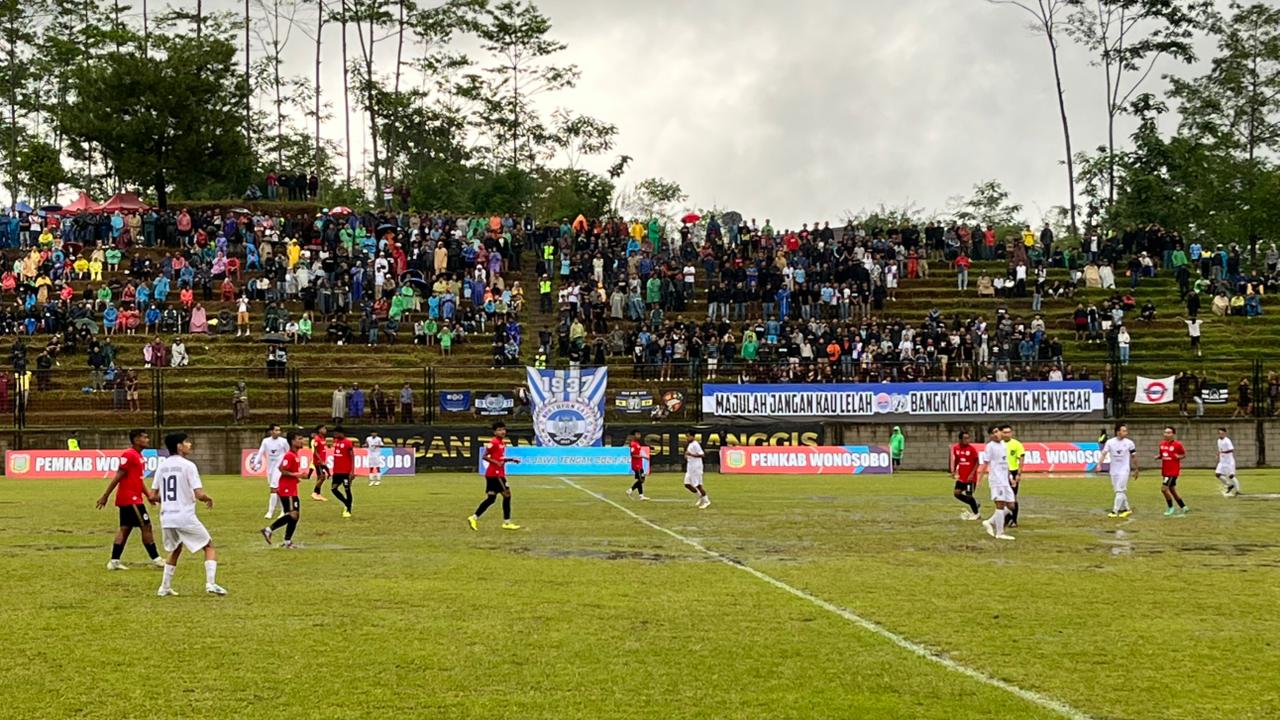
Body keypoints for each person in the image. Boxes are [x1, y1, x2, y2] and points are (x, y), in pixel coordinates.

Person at [151, 432, 226, 596]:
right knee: (208, 546)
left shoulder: (161, 466)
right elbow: (199, 493)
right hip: (184, 516)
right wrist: (207, 498)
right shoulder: (188, 466)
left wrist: (169, 499)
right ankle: (211, 583)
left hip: (167, 517)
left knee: (176, 548)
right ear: (179, 446)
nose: (190, 444)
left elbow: (153, 496)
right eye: (186, 442)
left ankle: (164, 587)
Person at [96, 429, 164, 570]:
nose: (147, 440)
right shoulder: (129, 455)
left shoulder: (139, 456)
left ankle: (114, 561)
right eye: (145, 437)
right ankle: (156, 559)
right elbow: (118, 476)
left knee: (125, 528)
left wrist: (148, 495)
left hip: (132, 498)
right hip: (130, 499)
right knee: (146, 526)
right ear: (136, 440)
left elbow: (138, 480)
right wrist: (105, 496)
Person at [468, 421, 521, 531]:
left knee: (491, 499)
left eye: (503, 429)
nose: (502, 432)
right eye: (499, 430)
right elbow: (485, 456)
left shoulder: (501, 443)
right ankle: (507, 522)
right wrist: (496, 463)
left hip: (493, 474)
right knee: (507, 495)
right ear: (495, 432)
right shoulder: (494, 442)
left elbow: (499, 458)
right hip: (496, 474)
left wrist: (511, 459)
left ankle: (473, 517)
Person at [262, 431, 306, 548]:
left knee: (294, 515)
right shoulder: (289, 455)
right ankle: (269, 530)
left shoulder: (295, 455)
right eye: (299, 438)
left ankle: (287, 541)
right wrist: (296, 474)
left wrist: (297, 478)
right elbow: (282, 469)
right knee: (293, 514)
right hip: (287, 489)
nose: (302, 441)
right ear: (292, 441)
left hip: (291, 488)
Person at [978, 425, 1015, 540]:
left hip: (1005, 480)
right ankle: (1000, 533)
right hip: (997, 480)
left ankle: (989, 522)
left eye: (997, 431)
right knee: (1000, 505)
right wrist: (980, 479)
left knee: (1011, 505)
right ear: (990, 435)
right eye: (993, 433)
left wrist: (1010, 476)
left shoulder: (1003, 444)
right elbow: (985, 463)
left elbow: (1005, 462)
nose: (996, 434)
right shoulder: (990, 447)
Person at [254, 424, 289, 520]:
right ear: (271, 431)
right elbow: (260, 453)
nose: (278, 432)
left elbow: (289, 453)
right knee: (276, 490)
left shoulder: (283, 441)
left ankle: (270, 512)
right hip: (270, 469)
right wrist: (256, 463)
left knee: (274, 489)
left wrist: (287, 466)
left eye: (279, 430)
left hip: (279, 468)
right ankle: (283, 510)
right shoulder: (266, 441)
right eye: (276, 430)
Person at [1102, 424, 1138, 518]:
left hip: (1124, 470)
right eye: (1124, 431)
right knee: (1119, 491)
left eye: (1126, 431)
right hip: (1114, 470)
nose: (1126, 432)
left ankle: (1115, 511)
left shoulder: (1129, 443)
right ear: (1118, 432)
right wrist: (1099, 464)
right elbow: (1104, 453)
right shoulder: (1110, 442)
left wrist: (1136, 469)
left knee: (1120, 490)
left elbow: (1134, 456)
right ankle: (1127, 509)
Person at [949, 430, 981, 520]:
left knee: (969, 495)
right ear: (960, 439)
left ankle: (977, 514)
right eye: (965, 438)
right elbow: (957, 460)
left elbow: (977, 462)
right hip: (961, 477)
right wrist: (954, 471)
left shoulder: (971, 449)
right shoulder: (956, 448)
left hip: (970, 478)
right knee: (956, 493)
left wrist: (972, 474)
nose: (968, 440)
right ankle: (975, 504)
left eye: (968, 438)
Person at [1158, 426, 1189, 516]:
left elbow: (1183, 454)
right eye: (1165, 432)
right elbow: (1162, 455)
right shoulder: (1162, 444)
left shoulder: (1178, 445)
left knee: (1164, 489)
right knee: (1172, 490)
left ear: (1173, 434)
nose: (1166, 434)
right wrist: (1158, 457)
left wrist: (1178, 456)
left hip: (1172, 472)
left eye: (1169, 433)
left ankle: (1171, 508)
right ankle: (1183, 506)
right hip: (1165, 471)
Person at [329, 428, 355, 518]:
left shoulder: (348, 442)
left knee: (347, 489)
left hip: (345, 471)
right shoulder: (336, 442)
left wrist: (352, 471)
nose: (335, 435)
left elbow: (352, 456)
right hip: (337, 471)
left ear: (341, 433)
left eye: (336, 433)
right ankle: (346, 503)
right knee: (333, 489)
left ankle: (348, 509)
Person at [1003, 425, 1024, 528]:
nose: (1007, 434)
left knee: (1013, 497)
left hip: (1013, 472)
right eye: (1005, 432)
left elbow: (1021, 459)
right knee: (1002, 497)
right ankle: (1007, 518)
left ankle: (1014, 520)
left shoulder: (1016, 444)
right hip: (1002, 473)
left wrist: (1019, 473)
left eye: (1008, 432)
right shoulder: (999, 444)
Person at [683, 436, 709, 508]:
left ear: (692, 436)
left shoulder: (696, 444)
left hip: (696, 467)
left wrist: (691, 455)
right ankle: (700, 496)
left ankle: (706, 501)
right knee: (687, 484)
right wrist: (686, 455)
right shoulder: (689, 444)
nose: (687, 438)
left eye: (688, 436)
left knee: (698, 485)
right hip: (690, 468)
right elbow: (687, 454)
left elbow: (702, 454)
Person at [308, 424, 330, 502]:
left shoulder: (323, 438)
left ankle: (318, 494)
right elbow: (316, 451)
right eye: (323, 429)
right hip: (318, 462)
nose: (325, 430)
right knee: (322, 477)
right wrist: (320, 460)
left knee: (319, 477)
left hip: (322, 461)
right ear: (319, 430)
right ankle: (314, 492)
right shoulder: (317, 439)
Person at [1216, 427, 1239, 497]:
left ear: (1225, 433)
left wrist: (1223, 452)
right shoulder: (1218, 440)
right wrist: (1218, 454)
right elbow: (1220, 450)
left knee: (1231, 476)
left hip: (1229, 461)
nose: (1220, 434)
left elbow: (1231, 449)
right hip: (1222, 461)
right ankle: (1229, 485)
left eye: (1222, 433)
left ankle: (1238, 491)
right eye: (1219, 433)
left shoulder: (1227, 440)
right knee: (1217, 474)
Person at [626, 430, 649, 500]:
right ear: (634, 435)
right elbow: (633, 455)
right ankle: (630, 490)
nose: (639, 435)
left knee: (641, 479)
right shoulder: (633, 444)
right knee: (641, 480)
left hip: (639, 464)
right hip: (636, 465)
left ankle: (641, 496)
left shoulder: (637, 443)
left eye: (639, 434)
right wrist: (643, 456)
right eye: (637, 434)